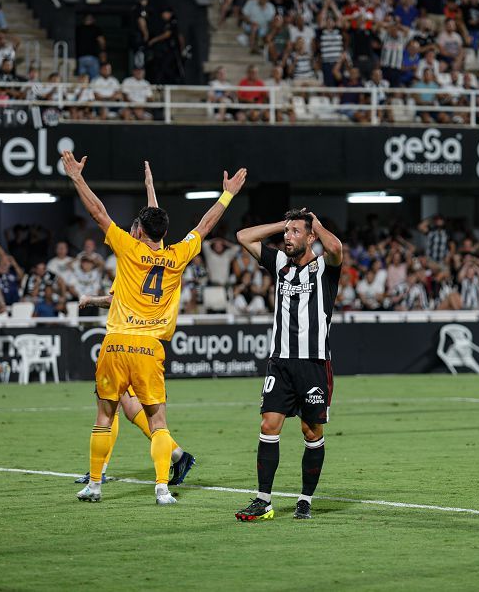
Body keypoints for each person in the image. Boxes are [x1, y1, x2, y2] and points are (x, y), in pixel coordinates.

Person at [63, 149, 246, 505]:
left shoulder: (129, 250)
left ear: (137, 231)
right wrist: (227, 194)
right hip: (149, 347)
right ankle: (162, 489)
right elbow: (204, 225)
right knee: (157, 421)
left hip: (116, 342)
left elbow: (98, 212)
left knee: (104, 415)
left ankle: (96, 485)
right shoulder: (177, 257)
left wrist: (76, 177)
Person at [71, 162, 196, 486]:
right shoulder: (163, 255)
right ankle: (177, 456)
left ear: (138, 231)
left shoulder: (130, 253)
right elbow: (157, 226)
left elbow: (123, 220)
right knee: (128, 409)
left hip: (128, 339)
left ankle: (100, 472)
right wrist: (150, 186)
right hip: (144, 341)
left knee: (112, 407)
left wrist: (93, 300)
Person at [233, 208, 343, 521]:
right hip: (280, 362)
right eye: (287, 232)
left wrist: (316, 225)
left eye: (296, 232)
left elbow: (335, 249)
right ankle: (263, 500)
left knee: (311, 432)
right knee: (269, 425)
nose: (288, 237)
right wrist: (282, 223)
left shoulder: (324, 267)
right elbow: (243, 237)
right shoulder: (280, 263)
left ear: (311, 237)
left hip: (313, 363)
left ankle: (305, 499)